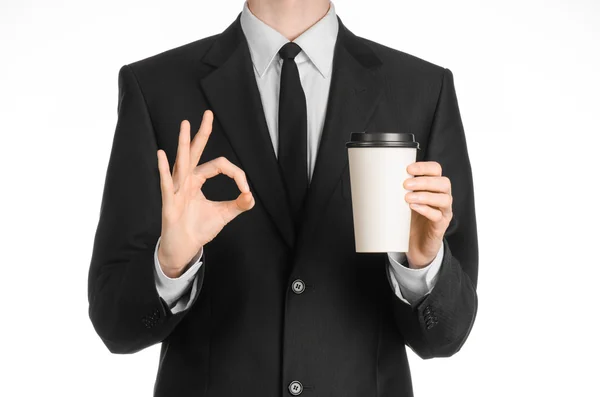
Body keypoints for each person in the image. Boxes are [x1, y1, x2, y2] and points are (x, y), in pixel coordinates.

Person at [87, 1, 479, 396]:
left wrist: (423, 265)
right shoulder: (157, 88)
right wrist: (170, 267)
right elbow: (116, 326)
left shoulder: (422, 91)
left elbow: (446, 336)